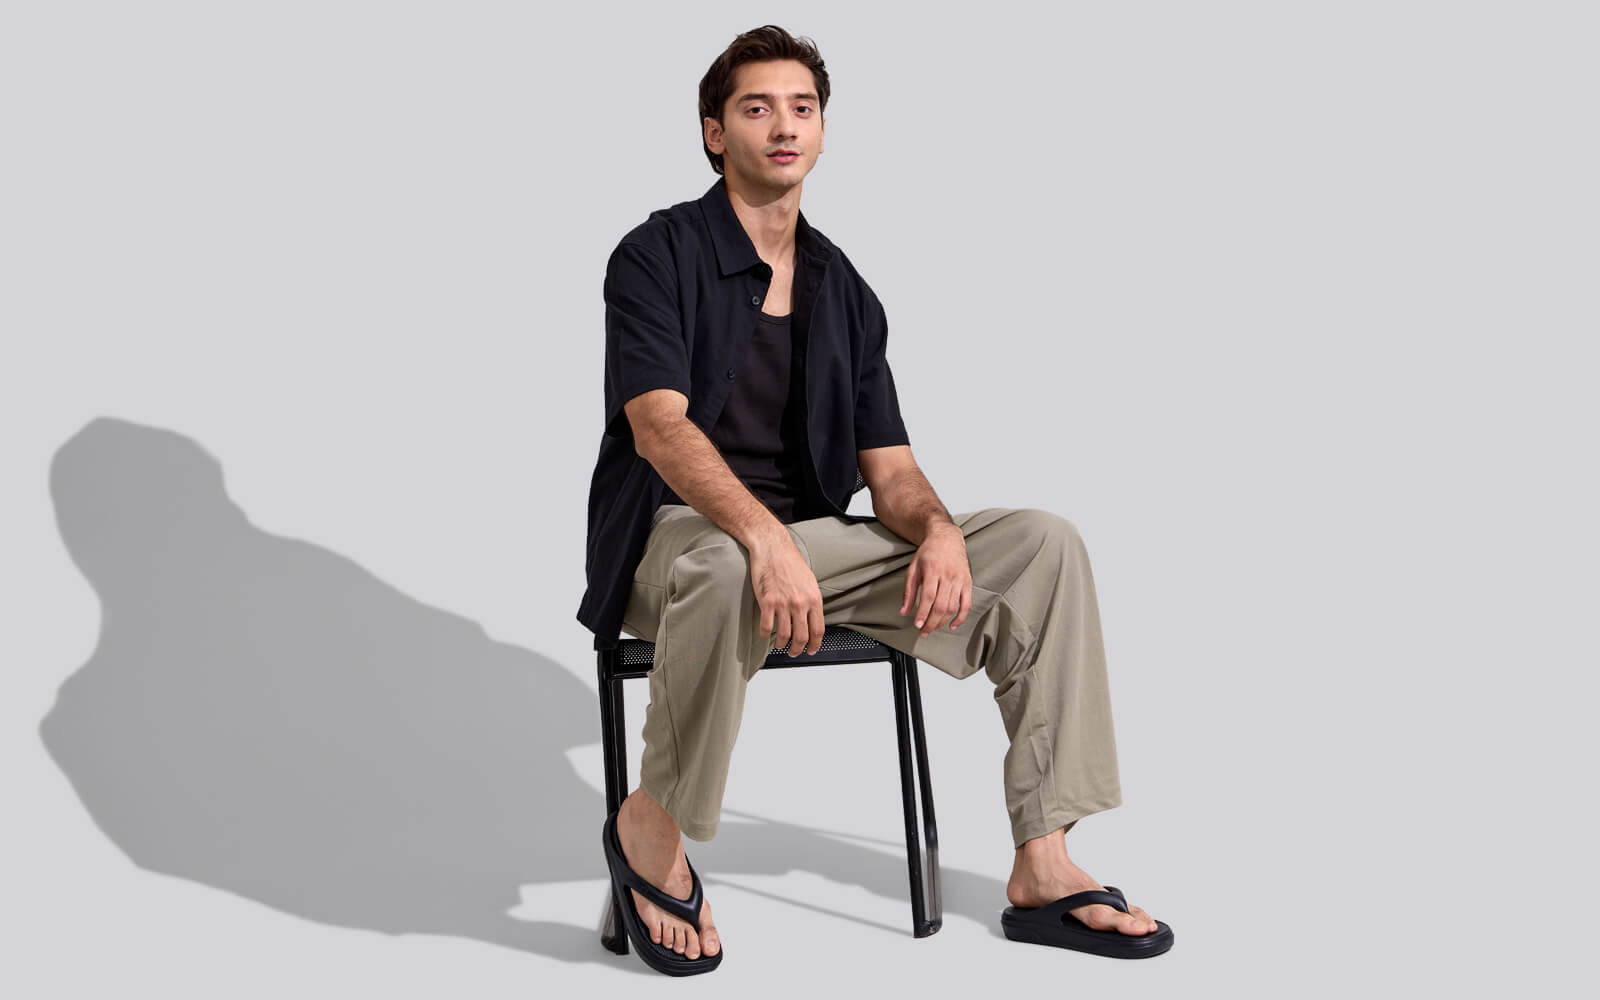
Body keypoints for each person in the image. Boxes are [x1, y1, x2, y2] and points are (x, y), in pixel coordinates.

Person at [579, 25, 1172, 974]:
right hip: (677, 549)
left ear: (822, 131)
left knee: (1043, 544)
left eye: (802, 108)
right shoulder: (657, 254)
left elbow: (889, 471)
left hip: (815, 553)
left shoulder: (844, 289)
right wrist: (764, 537)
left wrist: (938, 532)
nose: (784, 126)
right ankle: (650, 825)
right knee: (728, 560)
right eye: (757, 108)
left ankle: (1044, 860)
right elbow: (658, 425)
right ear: (714, 133)